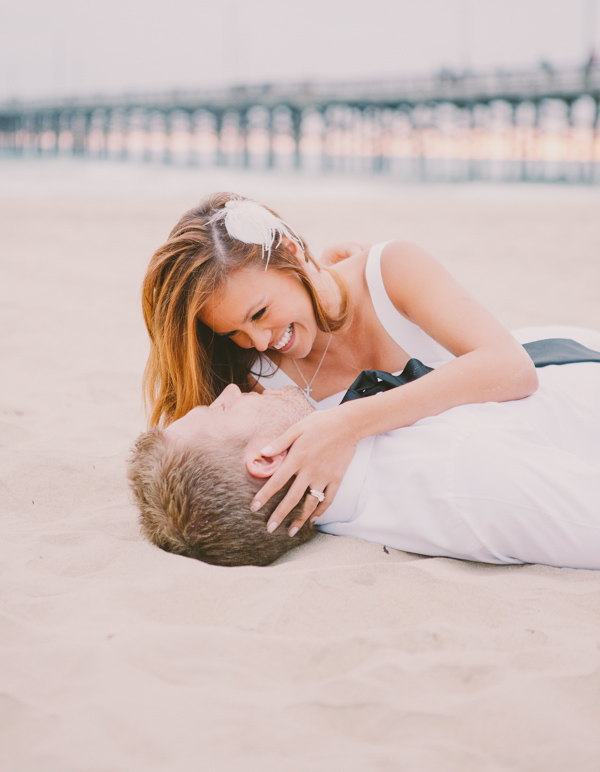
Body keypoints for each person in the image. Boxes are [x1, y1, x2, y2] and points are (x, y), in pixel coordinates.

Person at [142, 192, 538, 538]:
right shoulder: (257, 376)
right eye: (234, 333)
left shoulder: (391, 272)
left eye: (260, 312)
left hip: (522, 453)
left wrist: (348, 423)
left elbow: (512, 367)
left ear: (293, 253)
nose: (259, 342)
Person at [127, 326, 600, 569]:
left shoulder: (338, 435)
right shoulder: (465, 479)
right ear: (267, 459)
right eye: (221, 412)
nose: (227, 393)